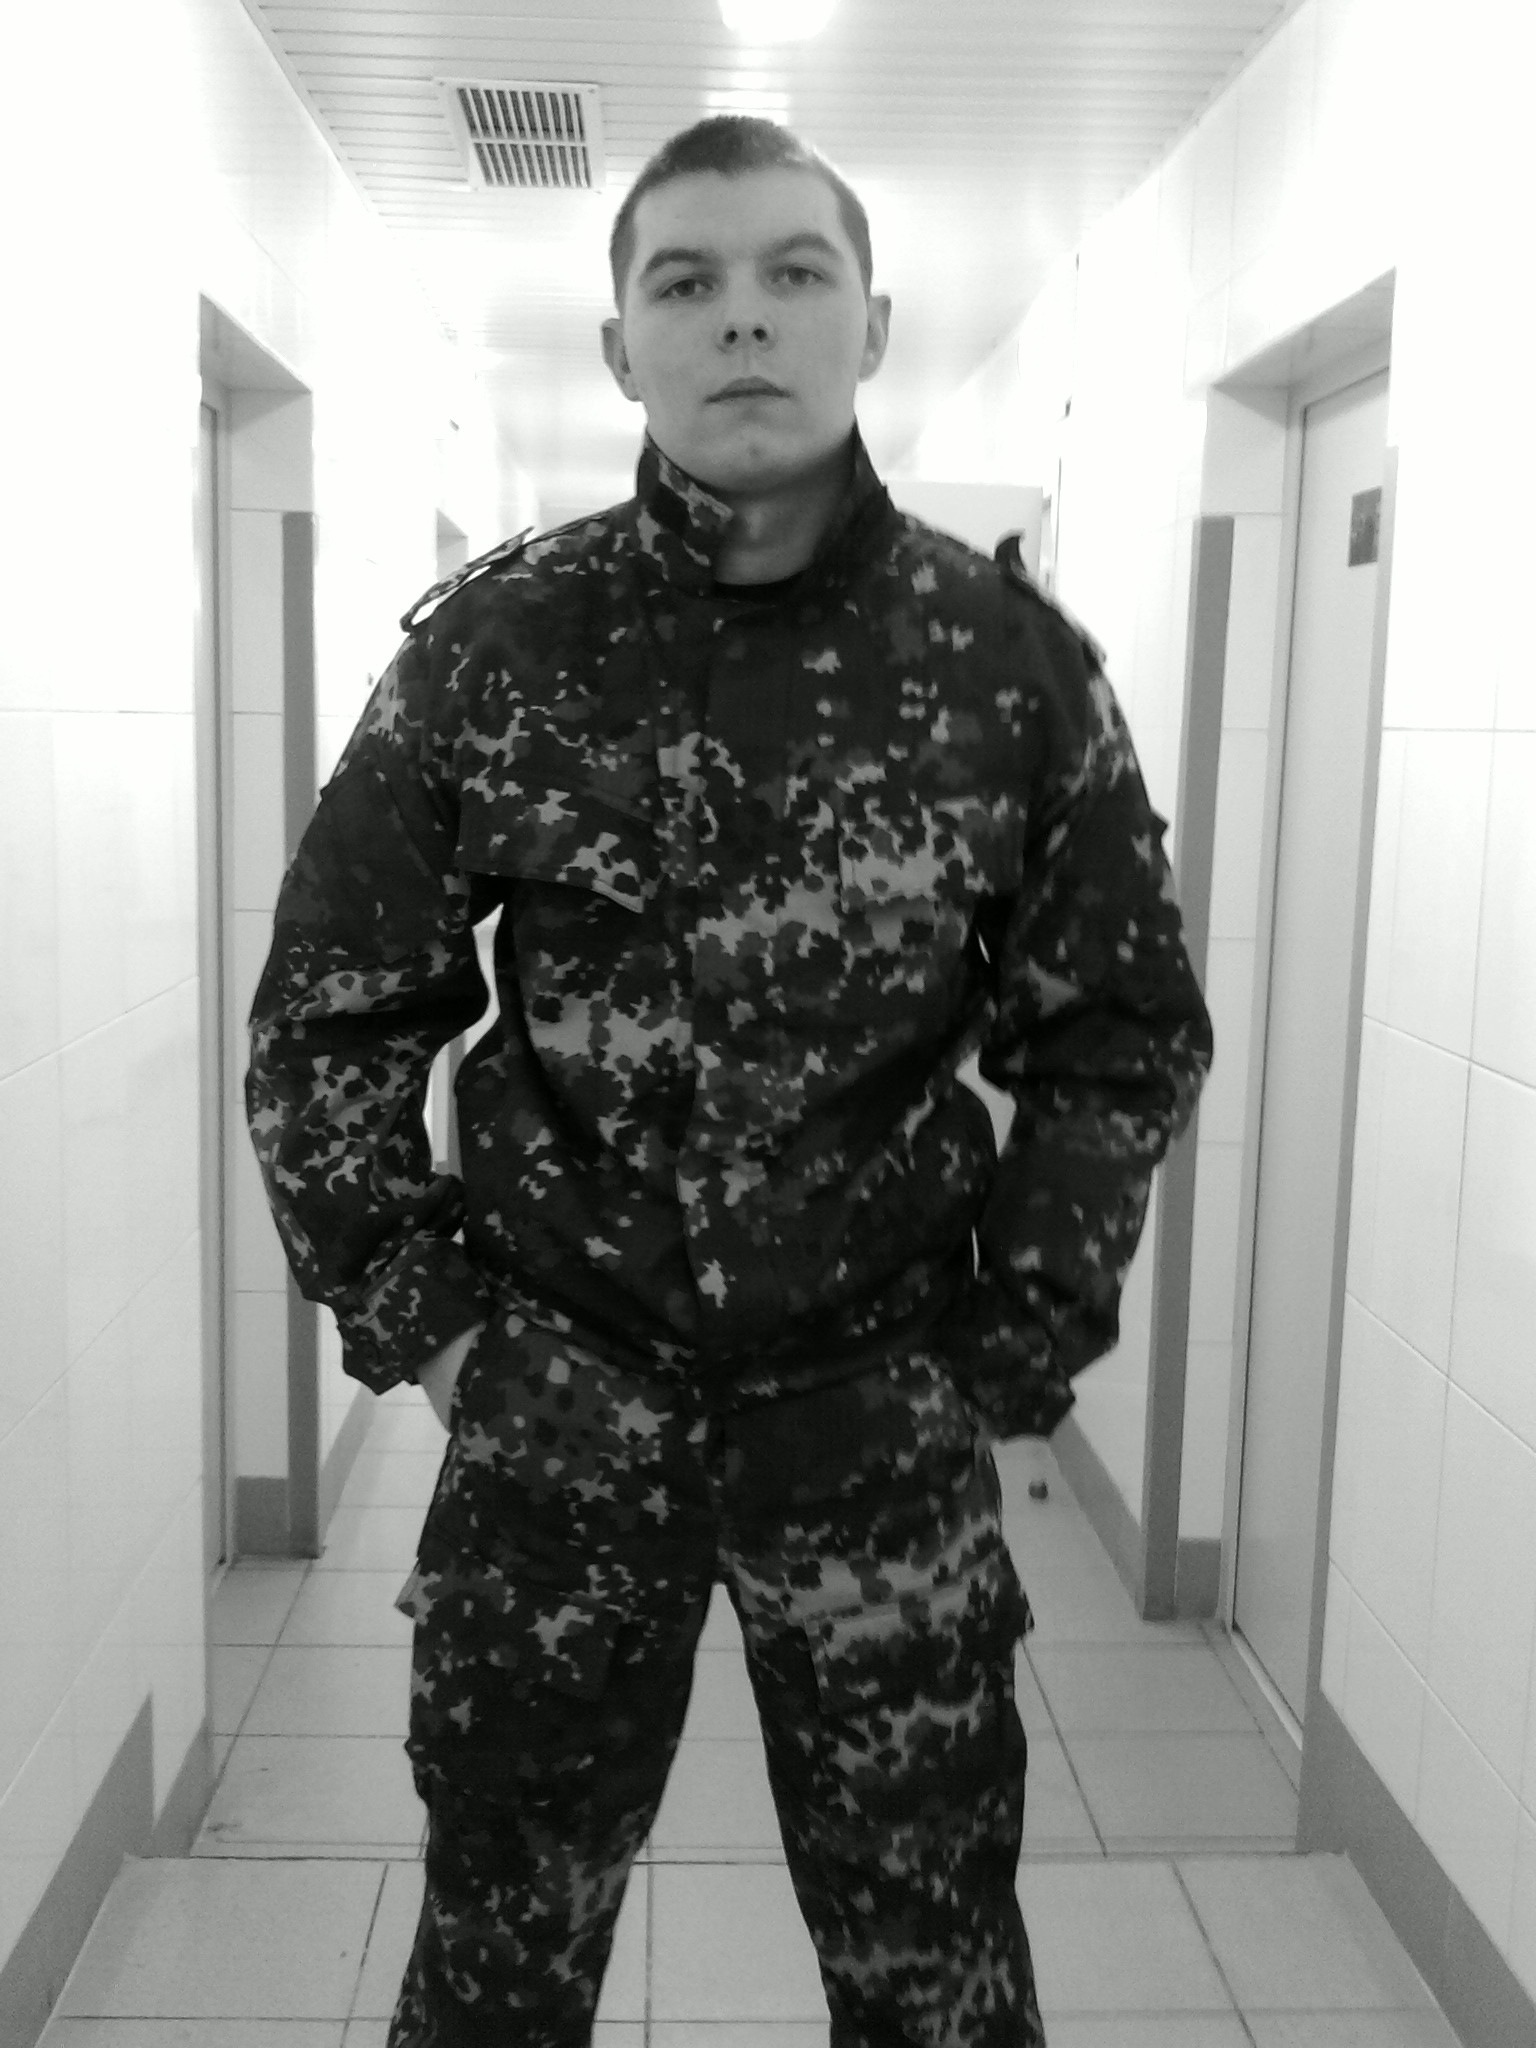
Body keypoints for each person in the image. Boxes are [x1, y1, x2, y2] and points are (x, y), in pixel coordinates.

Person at [247, 114, 1212, 2048]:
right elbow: (333, 1020)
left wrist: (1006, 1354)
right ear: (622, 347)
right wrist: (440, 1337)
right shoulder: (499, 652)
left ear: (873, 326)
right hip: (561, 1417)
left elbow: (1116, 1034)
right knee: (499, 1968)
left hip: (876, 1420)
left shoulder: (1005, 666)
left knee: (935, 1976)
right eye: (686, 283)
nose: (743, 320)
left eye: (794, 274)